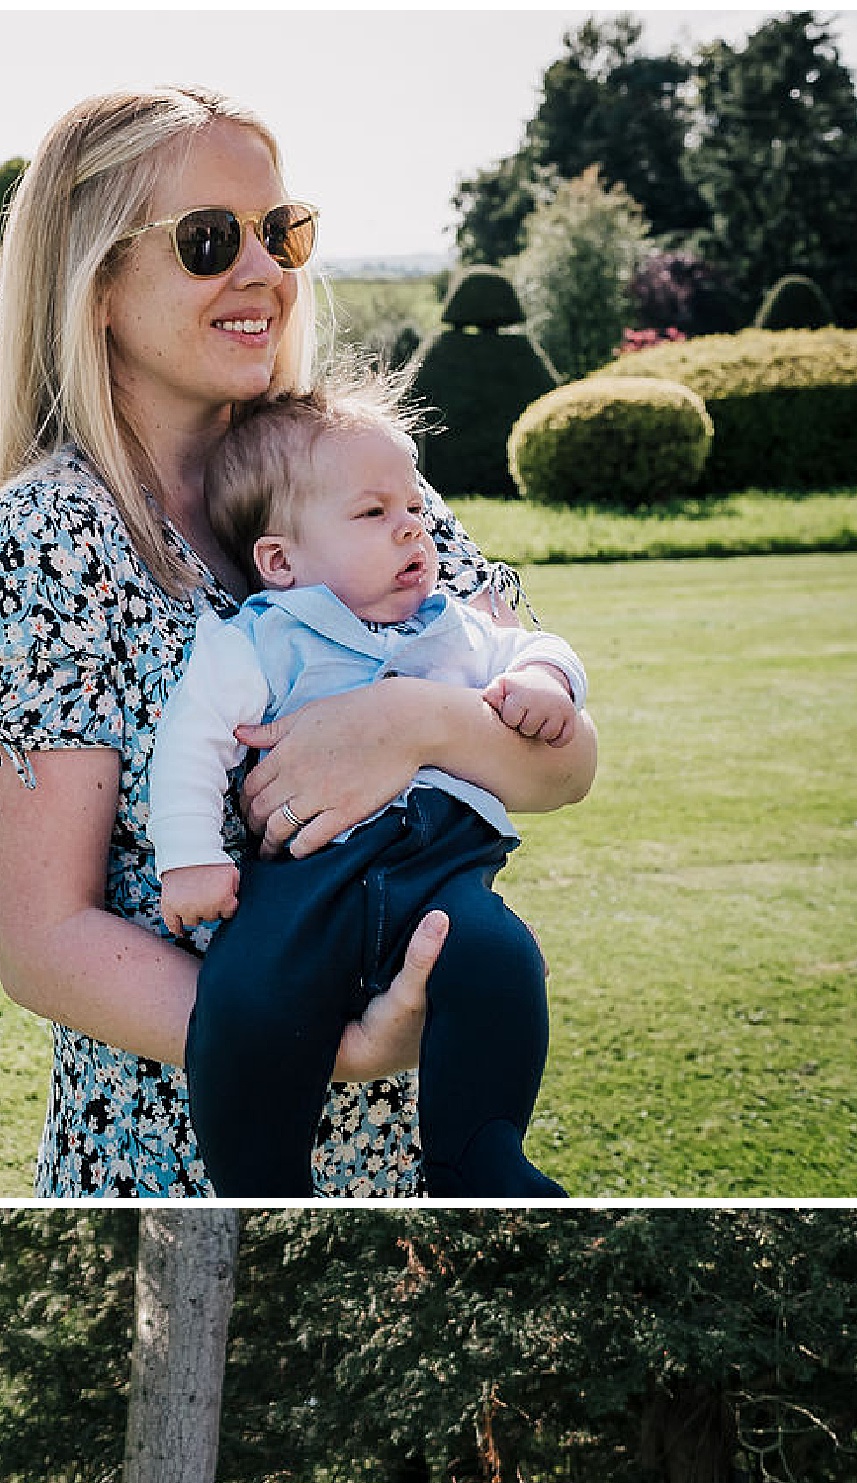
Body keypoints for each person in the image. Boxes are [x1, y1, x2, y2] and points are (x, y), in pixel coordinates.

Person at [0, 85, 596, 1198]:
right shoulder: (51, 537)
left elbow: (564, 764)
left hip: (411, 1163)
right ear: (96, 285)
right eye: (208, 242)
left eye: (280, 232)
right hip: (182, 1168)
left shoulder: (362, 476)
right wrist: (329, 1046)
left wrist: (412, 722)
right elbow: (44, 941)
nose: (264, 273)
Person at [149, 374, 586, 1197]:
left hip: (442, 870)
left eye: (414, 510)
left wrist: (546, 682)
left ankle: (479, 1157)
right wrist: (189, 857)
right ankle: (260, 1181)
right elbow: (191, 741)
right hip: (309, 877)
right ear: (280, 560)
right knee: (248, 999)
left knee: (498, 962)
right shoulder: (264, 640)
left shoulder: (451, 624)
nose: (412, 531)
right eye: (375, 515)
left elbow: (544, 649)